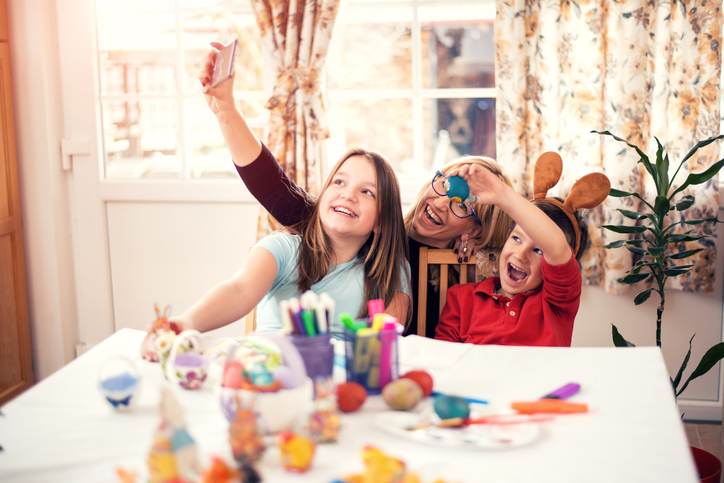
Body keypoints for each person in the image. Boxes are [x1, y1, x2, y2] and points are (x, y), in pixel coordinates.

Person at [197, 45, 514, 337]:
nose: (441, 202)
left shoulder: (461, 270)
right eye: (444, 184)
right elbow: (271, 183)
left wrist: (483, 255)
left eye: (462, 205)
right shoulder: (354, 228)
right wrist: (226, 109)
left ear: (475, 231)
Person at [434, 153, 610, 346]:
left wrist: (502, 195)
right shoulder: (461, 298)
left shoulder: (558, 304)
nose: (520, 254)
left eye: (539, 250)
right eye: (517, 238)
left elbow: (558, 248)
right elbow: (445, 360)